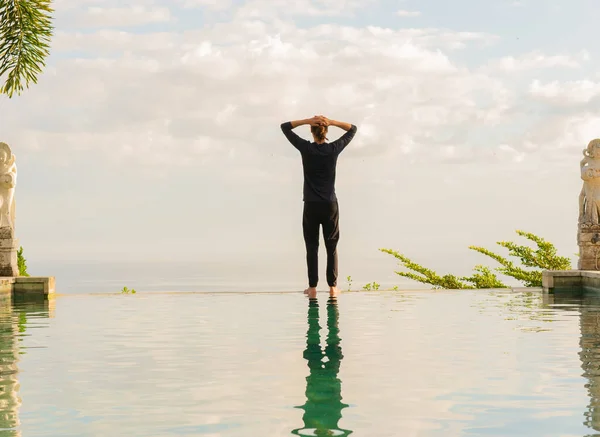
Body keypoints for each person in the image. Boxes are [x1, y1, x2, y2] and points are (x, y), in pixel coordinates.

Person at [280, 115, 357, 298]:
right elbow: (352, 129)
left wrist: (307, 120)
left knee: (312, 246)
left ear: (312, 131)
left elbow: (285, 127)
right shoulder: (333, 149)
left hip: (311, 204)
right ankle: (332, 288)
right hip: (330, 204)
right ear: (326, 131)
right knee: (331, 246)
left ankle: (312, 288)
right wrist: (333, 122)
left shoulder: (306, 149)